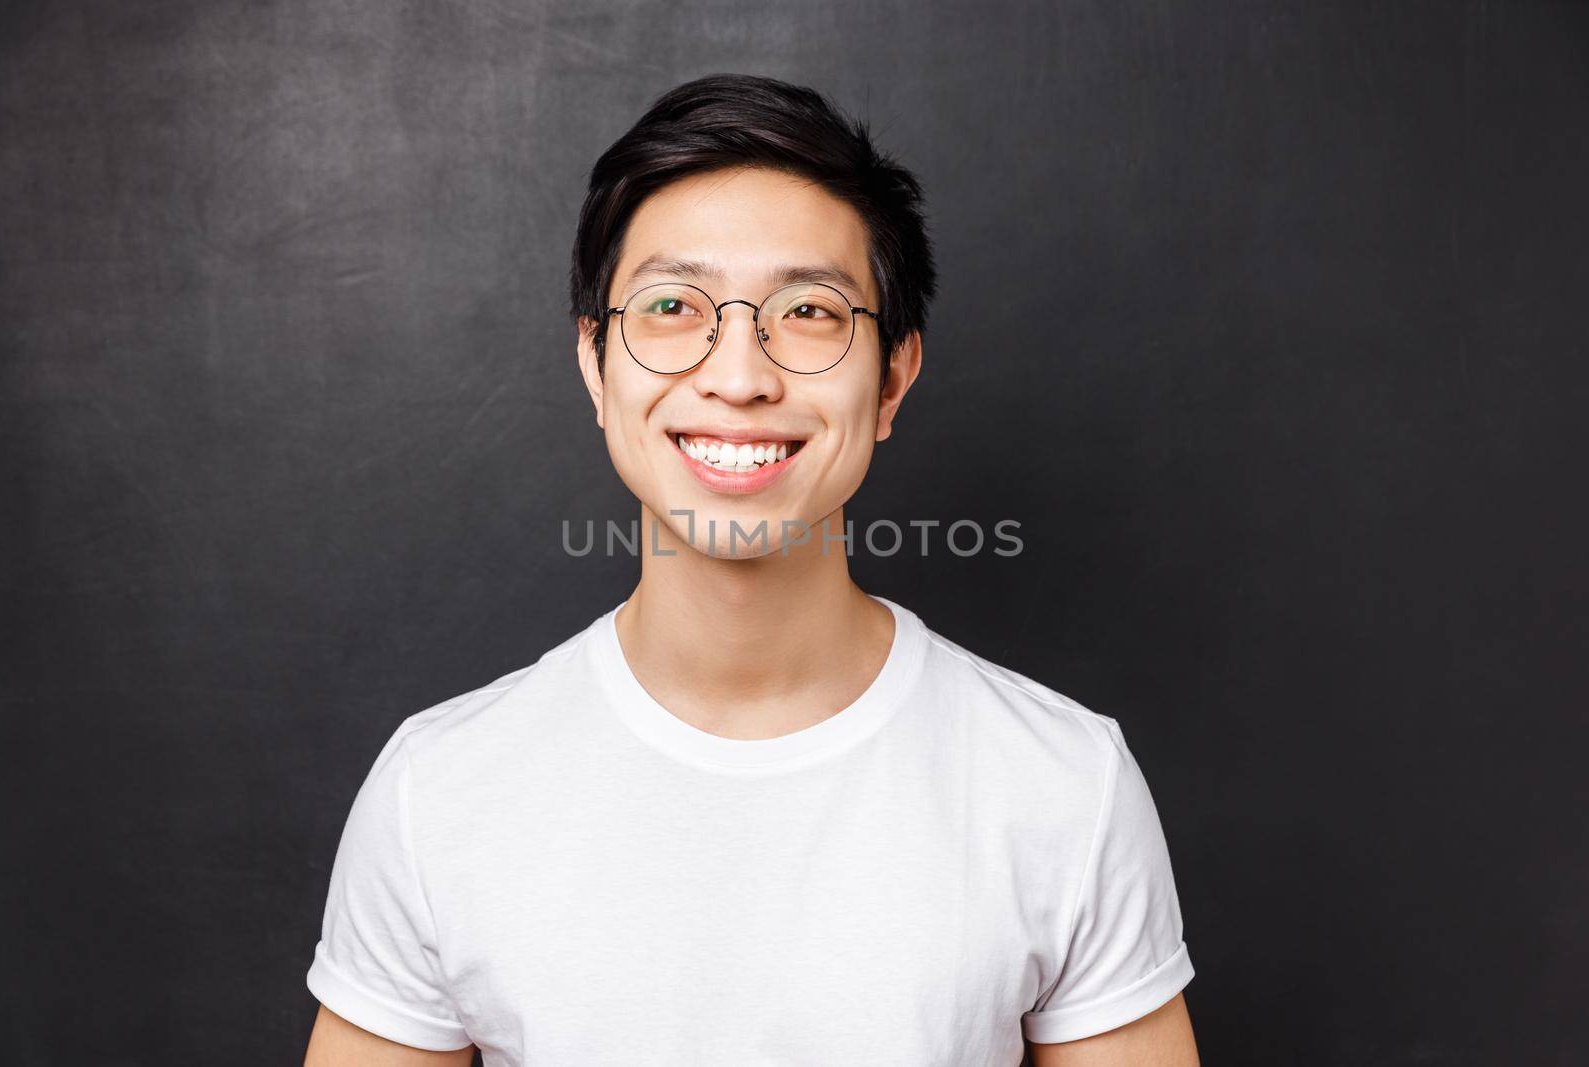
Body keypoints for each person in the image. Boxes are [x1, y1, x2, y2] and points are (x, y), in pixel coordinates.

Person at [302, 73, 1199, 1067]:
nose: (738, 375)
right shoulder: (439, 788)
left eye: (810, 312)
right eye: (674, 305)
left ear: (893, 375)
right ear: (597, 363)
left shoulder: (1063, 782)